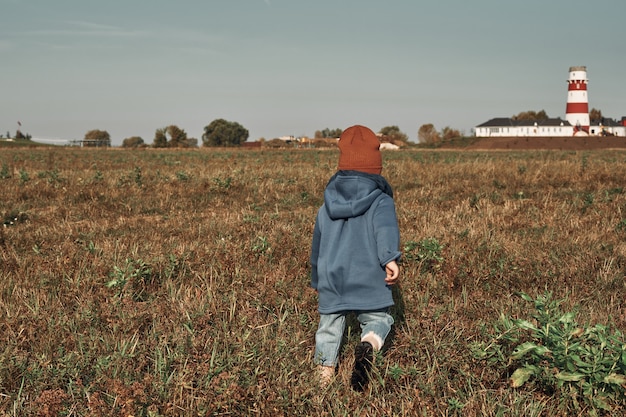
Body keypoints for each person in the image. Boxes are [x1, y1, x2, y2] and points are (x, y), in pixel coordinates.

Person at [310, 124, 401, 391]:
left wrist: (317, 278)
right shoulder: (380, 201)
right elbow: (385, 230)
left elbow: (317, 245)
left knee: (329, 326)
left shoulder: (326, 206)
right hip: (368, 275)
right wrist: (390, 259)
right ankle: (368, 344)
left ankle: (324, 377)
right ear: (376, 167)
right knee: (378, 318)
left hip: (332, 276)